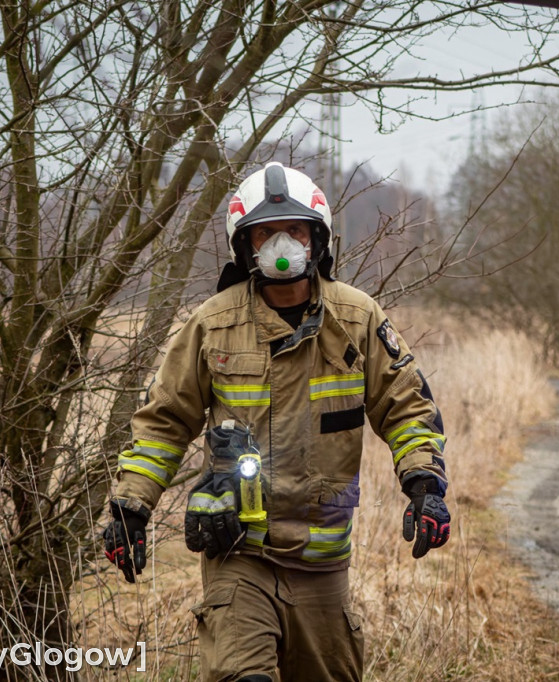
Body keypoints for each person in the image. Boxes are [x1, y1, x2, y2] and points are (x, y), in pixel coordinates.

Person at [102, 162, 450, 682]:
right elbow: (165, 422)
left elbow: (406, 406)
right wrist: (131, 508)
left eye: (294, 230)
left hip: (322, 561)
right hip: (239, 553)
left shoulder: (356, 320)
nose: (281, 245)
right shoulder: (213, 324)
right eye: (265, 233)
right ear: (244, 246)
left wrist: (425, 484)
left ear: (318, 239)